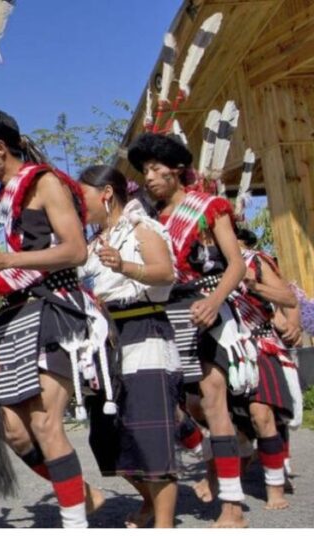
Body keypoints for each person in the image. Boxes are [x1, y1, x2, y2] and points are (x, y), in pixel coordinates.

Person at [0, 109, 107, 528]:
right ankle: (82, 496)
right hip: (14, 317)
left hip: (51, 308)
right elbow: (12, 274)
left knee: (44, 421)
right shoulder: (2, 201)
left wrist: (7, 257)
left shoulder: (44, 183)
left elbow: (76, 250)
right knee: (11, 428)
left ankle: (74, 522)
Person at [128, 132, 252, 528]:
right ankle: (208, 458)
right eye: (143, 170)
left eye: (154, 169)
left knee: (213, 401)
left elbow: (236, 264)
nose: (148, 177)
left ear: (177, 170)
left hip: (205, 307)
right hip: (161, 312)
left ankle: (232, 505)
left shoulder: (208, 207)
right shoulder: (149, 219)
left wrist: (214, 302)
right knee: (174, 406)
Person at [77, 165, 180, 528]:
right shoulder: (89, 244)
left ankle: (164, 523)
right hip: (104, 344)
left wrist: (124, 265)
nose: (78, 203)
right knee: (105, 437)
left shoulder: (141, 228)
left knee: (150, 432)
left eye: (82, 195)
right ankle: (149, 500)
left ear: (106, 193)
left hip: (144, 328)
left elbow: (165, 272)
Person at [232, 228, 298, 510]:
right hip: (220, 347)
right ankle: (245, 452)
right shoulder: (199, 263)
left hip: (259, 343)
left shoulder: (255, 260)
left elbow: (288, 297)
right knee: (215, 414)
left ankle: (274, 488)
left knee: (263, 413)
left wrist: (254, 285)